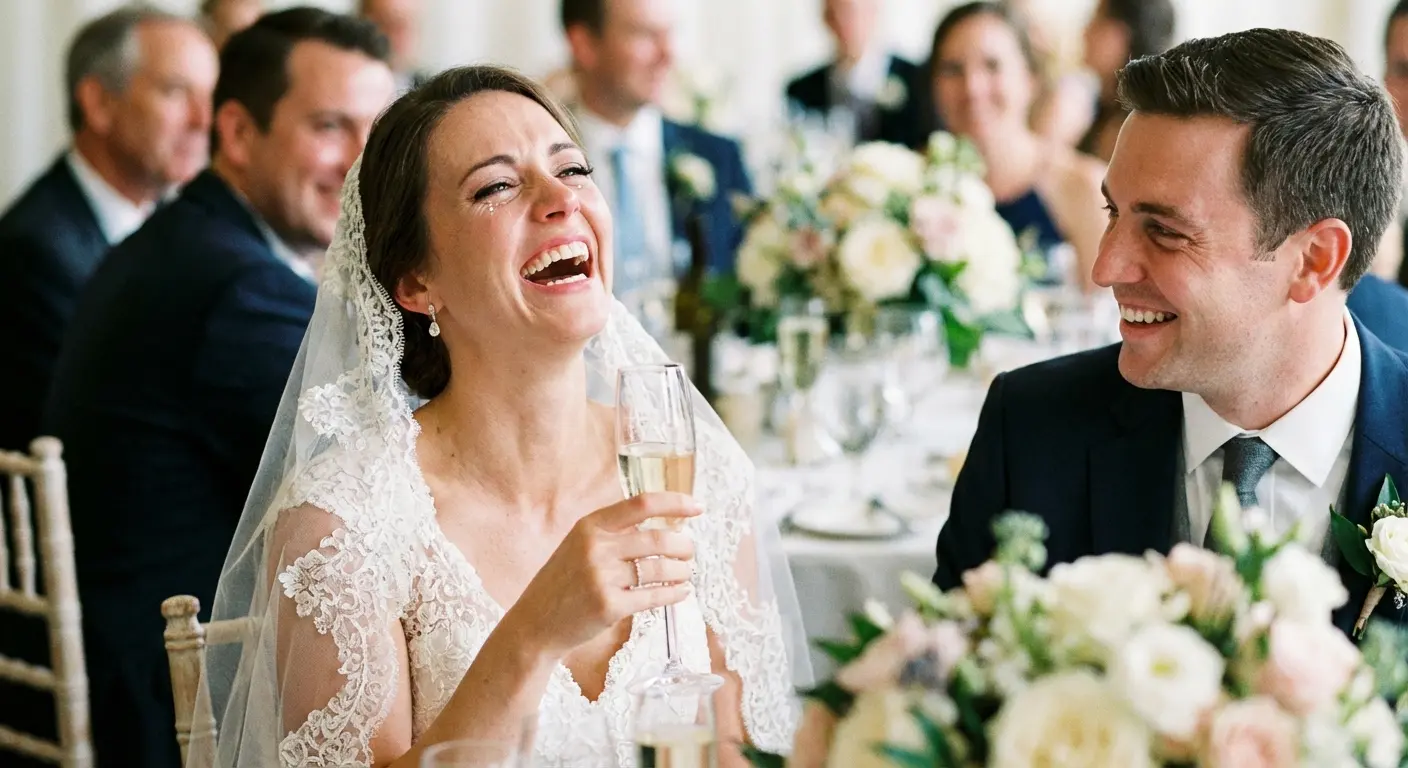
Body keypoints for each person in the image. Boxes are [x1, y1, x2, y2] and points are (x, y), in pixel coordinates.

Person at [198, 65, 807, 767]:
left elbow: (735, 749)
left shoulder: (699, 475)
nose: (560, 201)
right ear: (417, 282)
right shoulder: (341, 524)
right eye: (496, 187)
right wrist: (533, 635)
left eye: (573, 169)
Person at [933, 28, 1408, 641]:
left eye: (1165, 232)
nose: (1105, 269)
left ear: (1314, 260)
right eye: (1113, 213)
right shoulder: (1029, 433)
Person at [39, 9, 394, 766]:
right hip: (175, 705)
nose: (364, 163)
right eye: (331, 126)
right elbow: (389, 492)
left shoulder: (186, 241)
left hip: (140, 661)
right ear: (235, 133)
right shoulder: (238, 290)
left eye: (380, 133)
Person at [0, 6, 216, 454]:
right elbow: (86, 429)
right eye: (176, 92)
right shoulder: (36, 250)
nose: (203, 120)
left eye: (209, 96)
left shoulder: (180, 223)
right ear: (98, 103)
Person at [561, 0, 752, 300]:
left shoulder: (718, 156)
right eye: (645, 35)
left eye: (670, 34)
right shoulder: (539, 169)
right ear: (584, 44)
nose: (668, 55)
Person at [927, 2, 1106, 289]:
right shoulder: (916, 184)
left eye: (992, 65)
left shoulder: (1084, 188)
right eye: (953, 69)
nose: (972, 87)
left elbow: (1106, 321)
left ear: (1030, 78)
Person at [784, 0, 925, 149]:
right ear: (825, 19)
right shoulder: (801, 89)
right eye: (833, 14)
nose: (843, 21)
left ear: (874, 12)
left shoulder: (915, 77)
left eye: (852, 11)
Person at [1076, 0, 1175, 162]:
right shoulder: (1104, 105)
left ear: (1127, 37)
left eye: (1098, 20)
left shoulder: (1132, 127)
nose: (1085, 32)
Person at [359, 0, 429, 91]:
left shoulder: (433, 93)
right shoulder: (343, 84)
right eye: (387, 22)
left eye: (405, 24)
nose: (399, 34)